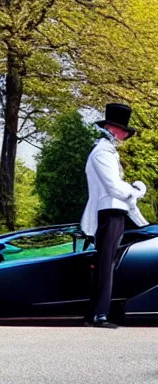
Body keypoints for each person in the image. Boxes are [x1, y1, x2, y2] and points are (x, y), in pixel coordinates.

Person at [81, 103, 149, 329]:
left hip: (114, 212)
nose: (125, 135)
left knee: (107, 263)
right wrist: (137, 191)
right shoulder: (103, 151)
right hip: (109, 212)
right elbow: (115, 188)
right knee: (105, 264)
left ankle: (96, 313)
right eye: (123, 130)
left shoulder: (107, 151)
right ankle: (99, 315)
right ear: (112, 128)